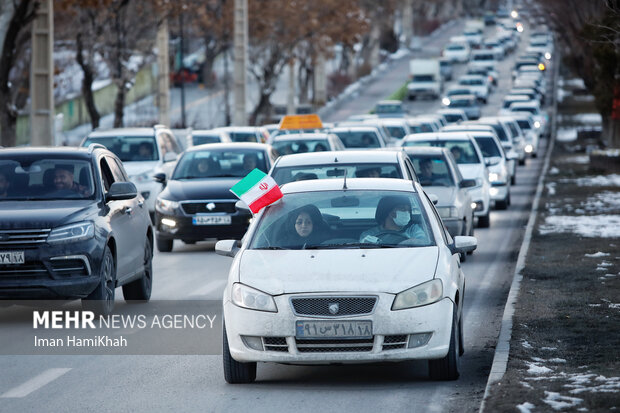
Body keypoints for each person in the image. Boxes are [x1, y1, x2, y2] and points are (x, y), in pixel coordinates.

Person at [359, 195, 429, 245]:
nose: (407, 212)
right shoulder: (370, 234)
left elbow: (424, 242)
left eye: (408, 210)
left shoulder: (414, 229)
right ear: (390, 213)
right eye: (402, 209)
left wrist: (409, 242)